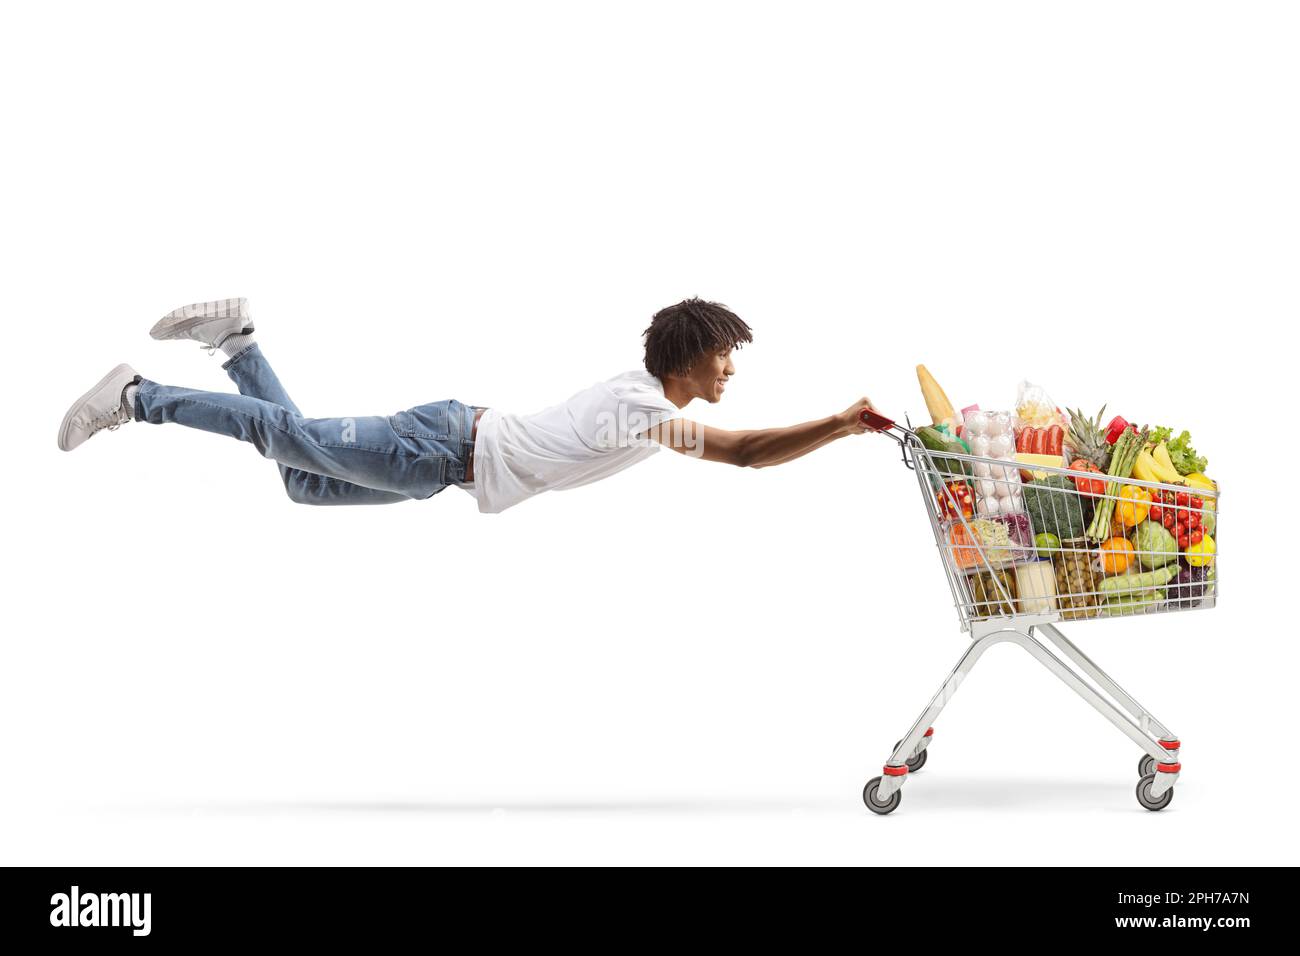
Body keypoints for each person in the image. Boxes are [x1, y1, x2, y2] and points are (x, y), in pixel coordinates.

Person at [57, 297, 881, 513]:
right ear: (689, 356)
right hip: (439, 445)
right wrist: (840, 425)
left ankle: (237, 342)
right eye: (723, 352)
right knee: (290, 436)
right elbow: (738, 453)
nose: (731, 366)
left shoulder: (642, 403)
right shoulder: (639, 406)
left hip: (443, 470)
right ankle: (138, 396)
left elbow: (733, 447)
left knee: (301, 477)